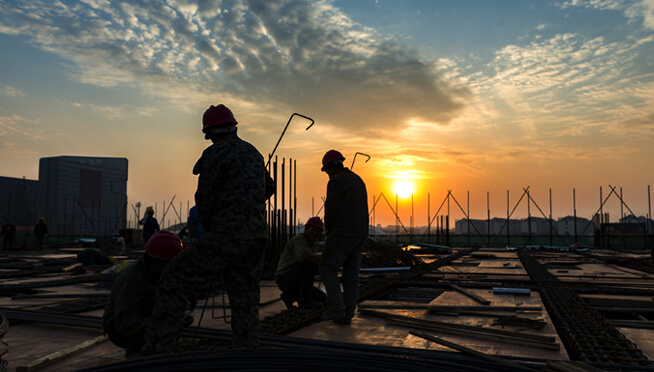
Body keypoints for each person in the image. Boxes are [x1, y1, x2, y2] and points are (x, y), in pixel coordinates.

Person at [139, 104, 274, 356]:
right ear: (233, 127)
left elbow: (205, 201)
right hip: (256, 238)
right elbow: (269, 187)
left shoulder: (215, 154)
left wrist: (215, 226)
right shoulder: (253, 152)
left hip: (227, 236)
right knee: (244, 297)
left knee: (173, 279)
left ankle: (157, 352)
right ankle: (246, 352)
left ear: (209, 133)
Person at [103, 231, 186, 358]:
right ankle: (139, 351)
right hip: (122, 330)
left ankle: (163, 340)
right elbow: (124, 322)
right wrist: (163, 325)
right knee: (151, 301)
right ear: (159, 262)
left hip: (150, 322)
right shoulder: (132, 278)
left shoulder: (163, 271)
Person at [319, 150, 368, 325]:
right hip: (360, 233)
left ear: (332, 167)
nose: (327, 175)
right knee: (351, 274)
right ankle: (348, 313)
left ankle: (338, 310)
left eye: (327, 171)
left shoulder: (337, 180)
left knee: (327, 267)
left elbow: (331, 209)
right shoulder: (357, 179)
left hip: (342, 232)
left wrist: (329, 229)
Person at [275, 217, 327, 310]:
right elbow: (304, 256)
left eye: (318, 231)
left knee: (322, 297)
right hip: (285, 279)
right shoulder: (299, 240)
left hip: (295, 280)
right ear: (307, 229)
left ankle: (289, 297)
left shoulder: (309, 243)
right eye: (313, 230)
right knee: (308, 266)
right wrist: (324, 260)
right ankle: (304, 302)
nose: (315, 233)